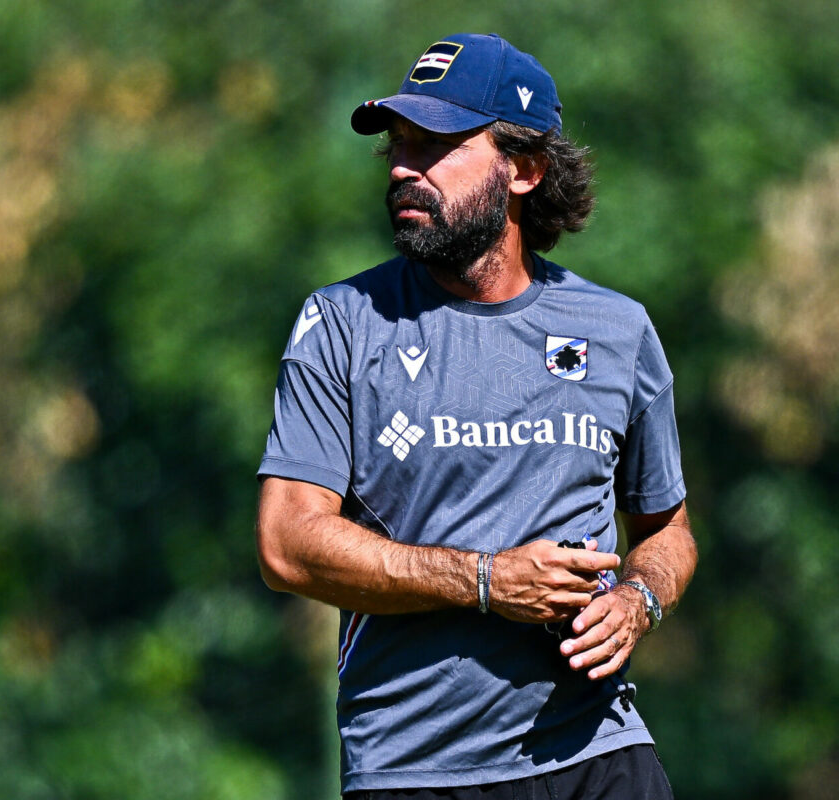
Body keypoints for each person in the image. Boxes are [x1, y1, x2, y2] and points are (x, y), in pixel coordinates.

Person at [256, 33, 698, 800]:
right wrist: (487, 581)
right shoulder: (342, 325)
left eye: (434, 145)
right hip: (417, 769)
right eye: (398, 145)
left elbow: (668, 531)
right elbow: (286, 544)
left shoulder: (618, 331)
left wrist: (639, 600)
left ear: (524, 169)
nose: (403, 168)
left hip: (599, 750)